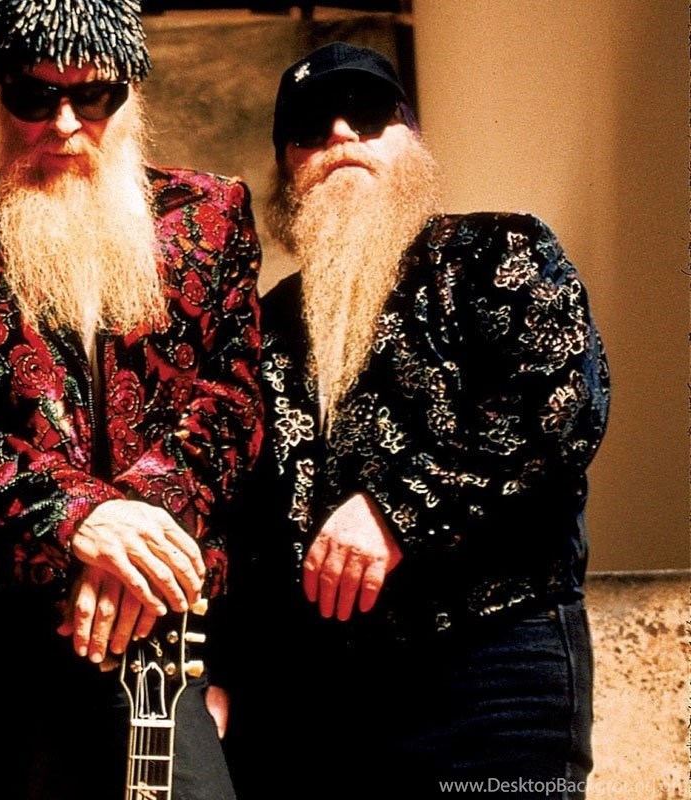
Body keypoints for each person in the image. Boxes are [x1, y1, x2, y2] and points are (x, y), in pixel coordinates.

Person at [0, 1, 263, 798]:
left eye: (94, 96)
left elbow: (235, 401)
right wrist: (80, 519)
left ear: (131, 93)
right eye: (34, 96)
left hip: (158, 625)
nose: (65, 123)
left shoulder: (211, 217)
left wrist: (128, 532)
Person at [223, 42, 610, 798]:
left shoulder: (498, 250)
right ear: (286, 171)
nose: (340, 136)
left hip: (493, 670)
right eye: (309, 128)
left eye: (367, 115)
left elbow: (561, 407)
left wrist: (392, 510)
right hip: (317, 701)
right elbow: (246, 519)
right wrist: (230, 671)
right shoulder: (267, 325)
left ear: (411, 139)